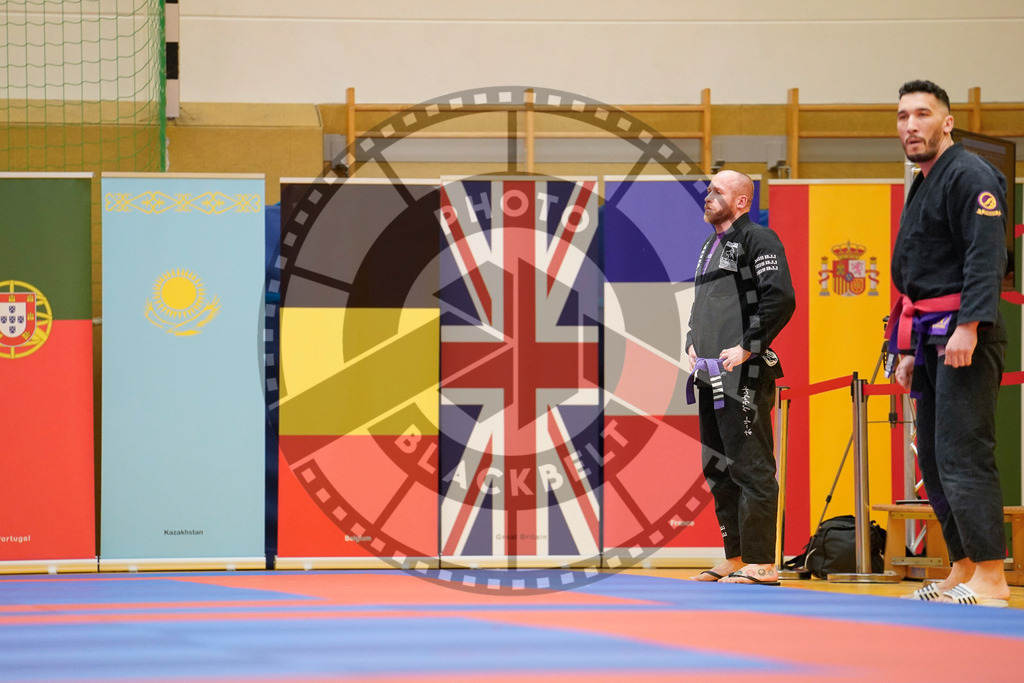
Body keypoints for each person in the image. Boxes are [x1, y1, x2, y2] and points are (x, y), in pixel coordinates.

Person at [890, 80, 1011, 606]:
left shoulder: (970, 174)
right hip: (929, 334)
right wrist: (907, 349)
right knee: (936, 457)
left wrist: (971, 323)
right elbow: (918, 269)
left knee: (965, 451)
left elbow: (986, 253)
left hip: (964, 333)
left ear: (947, 122)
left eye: (922, 114)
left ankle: (992, 575)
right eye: (902, 116)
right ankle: (962, 565)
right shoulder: (924, 181)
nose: (911, 125)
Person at [685, 170, 796, 585]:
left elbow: (780, 297)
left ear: (742, 201)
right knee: (719, 468)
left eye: (717, 191)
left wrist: (748, 346)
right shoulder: (709, 246)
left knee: (751, 467)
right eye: (708, 190)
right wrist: (691, 341)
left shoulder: (759, 239)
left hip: (744, 373)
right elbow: (703, 304)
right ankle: (735, 557)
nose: (708, 196)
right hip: (709, 374)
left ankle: (762, 561)